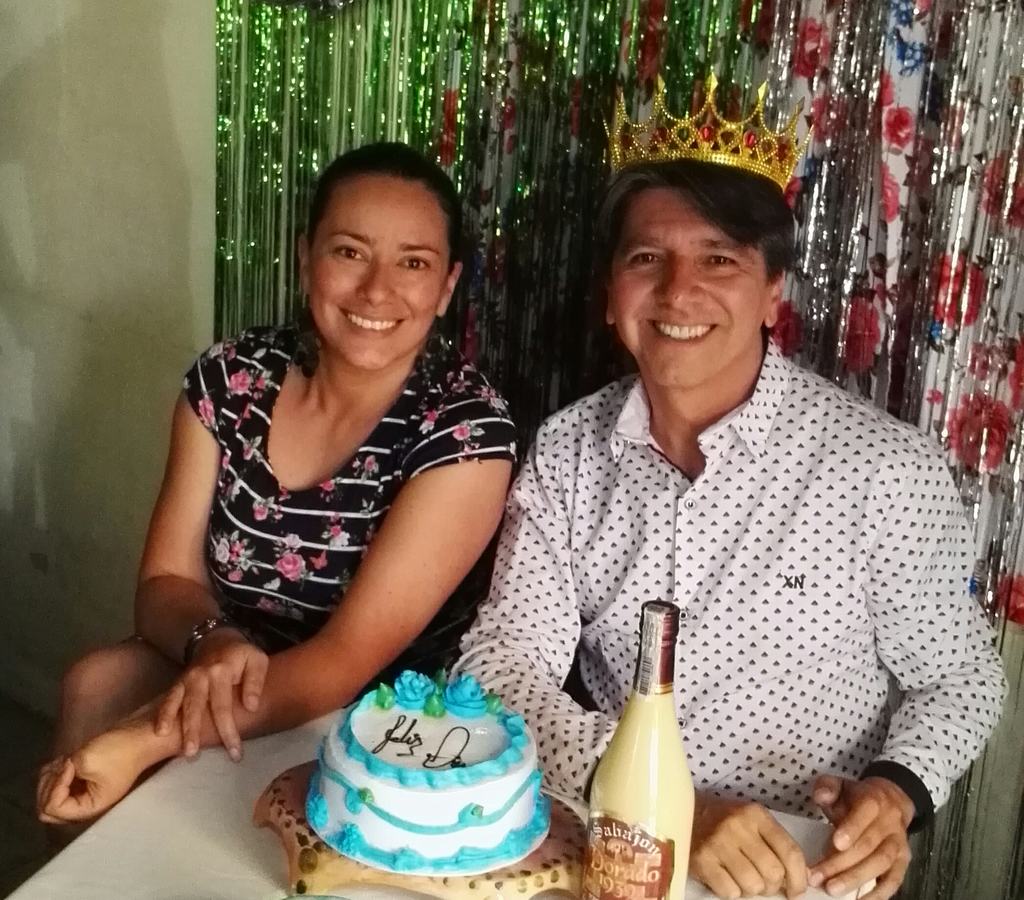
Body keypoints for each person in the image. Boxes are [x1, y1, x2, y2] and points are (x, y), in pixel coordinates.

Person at [455, 148, 1006, 899]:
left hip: (803, 868)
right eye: (648, 257)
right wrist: (662, 807)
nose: (680, 291)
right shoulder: (568, 452)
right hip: (615, 857)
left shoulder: (880, 467)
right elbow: (500, 667)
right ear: (611, 294)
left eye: (719, 259)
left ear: (772, 290)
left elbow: (962, 677)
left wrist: (896, 788)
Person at [37, 142, 517, 824]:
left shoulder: (465, 428)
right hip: (223, 667)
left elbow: (343, 662)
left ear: (445, 288)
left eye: (413, 263)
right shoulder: (233, 377)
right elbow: (163, 584)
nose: (377, 290)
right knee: (97, 683)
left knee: (125, 741)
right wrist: (214, 640)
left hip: (378, 723)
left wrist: (144, 739)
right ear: (305, 259)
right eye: (349, 251)